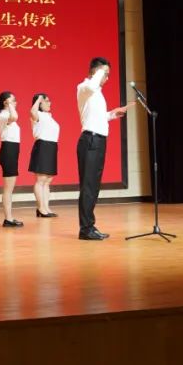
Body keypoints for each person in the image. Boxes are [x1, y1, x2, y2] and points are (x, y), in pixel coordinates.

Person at [76, 57, 128, 240]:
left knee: (94, 186)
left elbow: (97, 116)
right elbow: (92, 86)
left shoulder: (97, 92)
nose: (107, 78)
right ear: (95, 72)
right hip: (90, 140)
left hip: (98, 141)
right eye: (105, 73)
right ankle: (85, 229)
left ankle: (90, 225)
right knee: (88, 186)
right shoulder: (84, 87)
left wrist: (113, 114)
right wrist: (100, 72)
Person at [0, 91, 23, 228]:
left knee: (10, 188)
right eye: (13, 100)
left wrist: (10, 104)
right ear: (6, 102)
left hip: (11, 150)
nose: (15, 102)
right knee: (8, 188)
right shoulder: (3, 115)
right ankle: (8, 219)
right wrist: (10, 104)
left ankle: (9, 217)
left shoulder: (6, 114)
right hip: (8, 151)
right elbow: (15, 116)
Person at [28, 93, 59, 218]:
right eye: (46, 101)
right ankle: (41, 208)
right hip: (42, 146)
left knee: (48, 180)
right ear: (40, 103)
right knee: (41, 180)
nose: (49, 103)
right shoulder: (37, 115)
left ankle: (46, 207)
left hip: (52, 147)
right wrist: (39, 99)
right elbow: (32, 111)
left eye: (49, 100)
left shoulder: (49, 116)